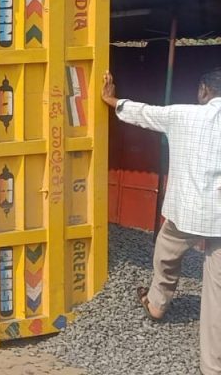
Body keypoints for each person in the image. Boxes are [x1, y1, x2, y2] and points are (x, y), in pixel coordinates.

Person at [103, 70, 220, 375]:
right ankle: (213, 367)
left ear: (204, 89)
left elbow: (143, 113)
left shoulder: (182, 115)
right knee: (217, 294)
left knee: (166, 252)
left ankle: (156, 303)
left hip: (186, 214)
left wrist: (111, 100)